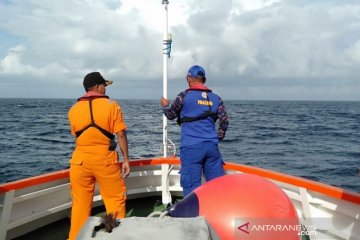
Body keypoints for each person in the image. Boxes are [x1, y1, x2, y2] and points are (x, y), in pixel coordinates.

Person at [68, 72, 130, 240]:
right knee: (114, 202)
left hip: (79, 162)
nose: (104, 88)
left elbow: (77, 135)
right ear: (96, 86)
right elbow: (121, 134)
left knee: (80, 206)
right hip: (105, 161)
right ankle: (116, 236)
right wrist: (126, 159)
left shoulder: (73, 109)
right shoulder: (112, 105)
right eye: (104, 85)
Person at [160, 65, 229, 196]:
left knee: (191, 187)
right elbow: (224, 120)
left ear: (188, 78)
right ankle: (215, 214)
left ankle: (193, 215)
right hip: (212, 147)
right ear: (204, 79)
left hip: (191, 147)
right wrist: (218, 136)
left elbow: (171, 115)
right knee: (216, 186)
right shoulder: (216, 98)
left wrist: (165, 106)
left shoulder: (184, 97)